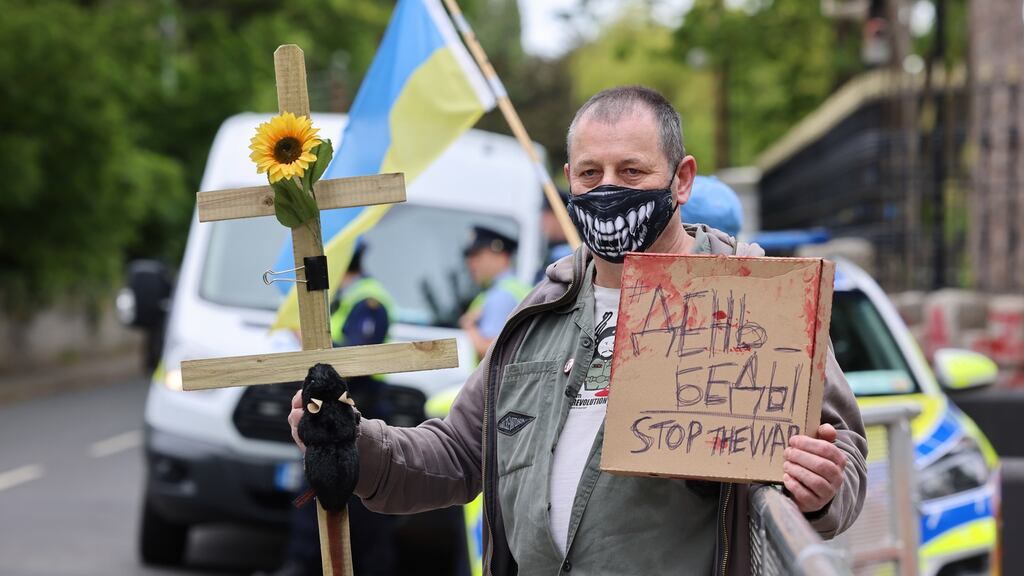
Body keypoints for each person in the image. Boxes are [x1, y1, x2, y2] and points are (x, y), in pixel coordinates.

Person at [289, 86, 867, 575]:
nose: (608, 188)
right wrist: (355, 446)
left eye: (632, 171)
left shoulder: (760, 301)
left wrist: (820, 492)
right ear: (569, 180)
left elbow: (843, 463)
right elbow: (459, 454)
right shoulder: (536, 316)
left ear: (681, 179)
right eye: (591, 173)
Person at [267, 240, 397, 576]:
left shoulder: (369, 299)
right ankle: (302, 564)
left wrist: (310, 346)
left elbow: (357, 358)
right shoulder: (342, 299)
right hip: (328, 423)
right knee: (317, 494)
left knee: (364, 508)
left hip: (357, 418)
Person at [458, 225, 531, 360]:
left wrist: (468, 324)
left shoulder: (502, 295)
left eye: (477, 256)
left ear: (501, 256)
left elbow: (491, 351)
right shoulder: (514, 288)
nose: (471, 263)